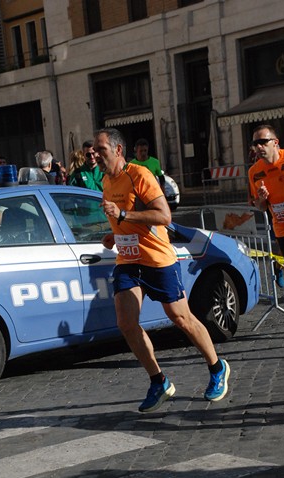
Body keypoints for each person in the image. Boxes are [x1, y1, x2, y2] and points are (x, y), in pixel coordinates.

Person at [94, 127, 230, 412]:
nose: (95, 155)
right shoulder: (106, 181)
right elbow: (123, 221)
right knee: (126, 323)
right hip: (129, 261)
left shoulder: (139, 175)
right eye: (94, 151)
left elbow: (163, 215)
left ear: (118, 150)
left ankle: (217, 368)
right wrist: (115, 234)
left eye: (101, 150)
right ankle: (159, 381)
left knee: (180, 318)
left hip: (157, 259)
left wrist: (122, 215)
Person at [248, 124, 284, 296]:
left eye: (263, 142)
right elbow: (260, 207)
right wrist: (262, 198)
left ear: (275, 142)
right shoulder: (254, 172)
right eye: (255, 143)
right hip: (281, 227)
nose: (258, 147)